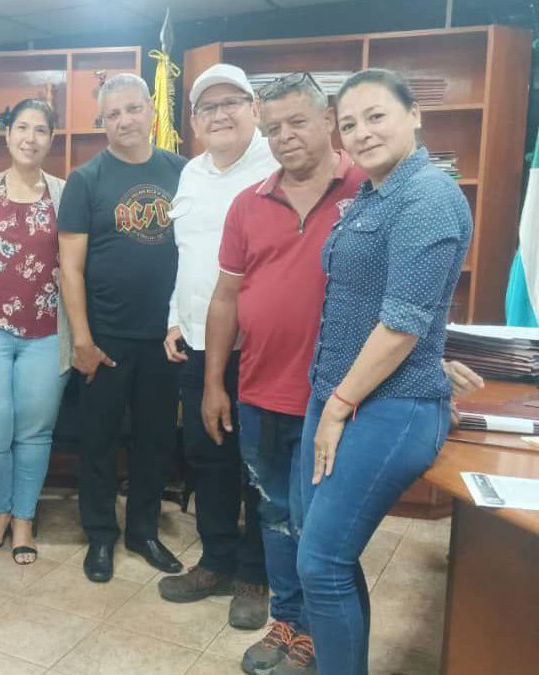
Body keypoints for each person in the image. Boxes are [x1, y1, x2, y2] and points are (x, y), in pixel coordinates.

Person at [296, 68, 472, 675]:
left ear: (413, 114)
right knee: (327, 558)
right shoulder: (373, 194)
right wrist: (331, 400)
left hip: (389, 405)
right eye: (349, 124)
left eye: (376, 116)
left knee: (321, 563)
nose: (362, 133)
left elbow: (402, 324)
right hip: (337, 394)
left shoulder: (428, 196)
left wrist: (338, 405)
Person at [200, 72, 366, 675]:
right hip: (260, 392)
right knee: (273, 516)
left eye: (297, 121)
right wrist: (214, 383)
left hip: (340, 402)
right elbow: (225, 298)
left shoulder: (370, 190)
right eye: (272, 128)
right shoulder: (249, 203)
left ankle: (321, 634)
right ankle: (288, 623)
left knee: (321, 531)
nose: (284, 136)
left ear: (328, 120)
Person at [158, 63, 277, 628]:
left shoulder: (277, 167)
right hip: (199, 342)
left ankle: (255, 573)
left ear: (254, 108)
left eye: (232, 102)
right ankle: (216, 561)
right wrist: (174, 320)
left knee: (258, 463)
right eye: (208, 107)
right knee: (208, 457)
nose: (220, 114)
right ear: (194, 121)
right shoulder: (191, 173)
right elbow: (187, 257)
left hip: (260, 347)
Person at [58, 73, 187, 583]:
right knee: (98, 441)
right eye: (112, 114)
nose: (124, 121)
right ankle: (100, 535)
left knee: (156, 440)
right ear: (102, 122)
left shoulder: (183, 171)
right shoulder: (85, 180)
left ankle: (143, 532)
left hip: (166, 338)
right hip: (105, 339)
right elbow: (70, 268)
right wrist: (82, 340)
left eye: (133, 109)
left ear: (151, 110)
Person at [0, 99, 70, 565]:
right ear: (7, 135)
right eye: (21, 128)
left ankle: (22, 517)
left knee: (33, 433)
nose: (30, 138)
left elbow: (75, 267)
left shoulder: (64, 193)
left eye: (40, 130)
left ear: (51, 139)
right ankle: (0, 508)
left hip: (47, 332)